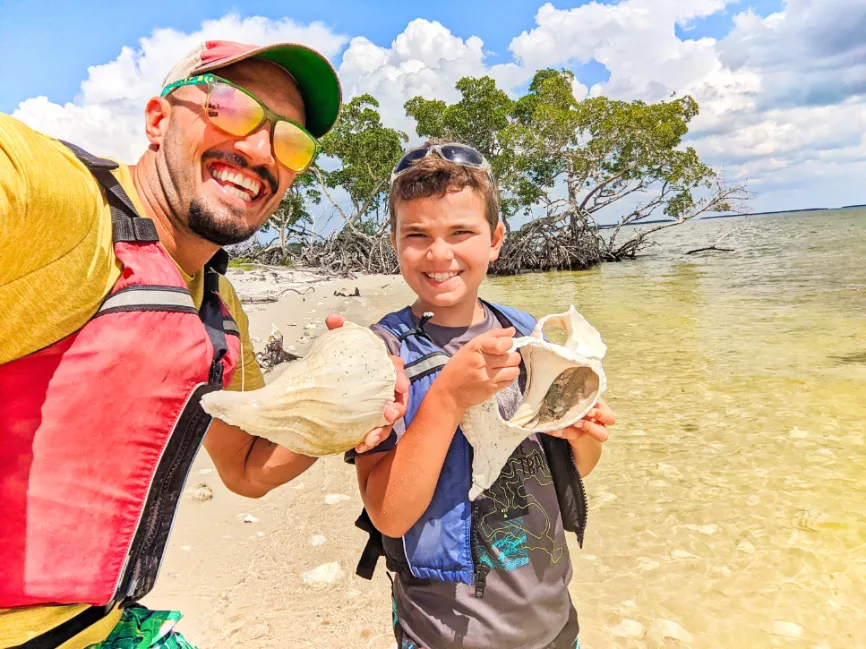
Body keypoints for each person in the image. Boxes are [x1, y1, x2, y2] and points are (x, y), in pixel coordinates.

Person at [0, 40, 406, 649]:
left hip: (111, 630)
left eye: (291, 141)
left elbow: (245, 468)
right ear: (158, 120)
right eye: (230, 109)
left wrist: (343, 417)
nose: (261, 150)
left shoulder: (217, 308)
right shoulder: (69, 209)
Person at [346, 141, 616, 649]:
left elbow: (568, 467)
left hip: (555, 623)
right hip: (445, 634)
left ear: (494, 240)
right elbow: (390, 514)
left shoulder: (527, 334)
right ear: (395, 241)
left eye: (460, 232)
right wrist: (447, 397)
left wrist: (581, 435)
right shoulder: (383, 358)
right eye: (418, 235)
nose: (439, 253)